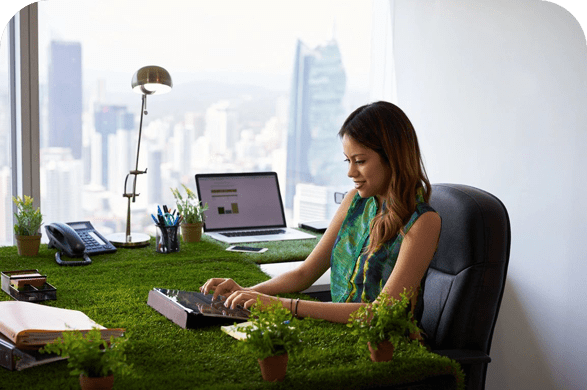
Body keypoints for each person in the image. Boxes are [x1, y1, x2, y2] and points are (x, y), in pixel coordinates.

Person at [200, 101, 441, 325]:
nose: (350, 172)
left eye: (360, 161)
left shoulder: (423, 222)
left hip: (386, 346)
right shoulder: (354, 202)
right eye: (347, 160)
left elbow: (378, 313)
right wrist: (248, 291)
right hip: (339, 330)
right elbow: (304, 273)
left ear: (393, 158)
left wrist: (283, 305)